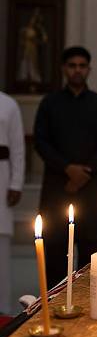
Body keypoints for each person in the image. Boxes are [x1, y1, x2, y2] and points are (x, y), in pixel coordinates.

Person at [34, 46, 97, 287]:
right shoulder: (49, 103)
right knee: (54, 252)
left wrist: (85, 171)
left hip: (90, 189)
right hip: (57, 187)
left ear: (88, 69)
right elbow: (41, 141)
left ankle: (90, 306)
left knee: (91, 258)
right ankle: (53, 306)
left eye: (82, 66)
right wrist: (68, 169)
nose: (77, 70)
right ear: (63, 69)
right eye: (72, 65)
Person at [0, 92, 24, 314]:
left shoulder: (8, 104)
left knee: (1, 245)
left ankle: (2, 311)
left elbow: (17, 147)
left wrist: (16, 183)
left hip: (1, 177)